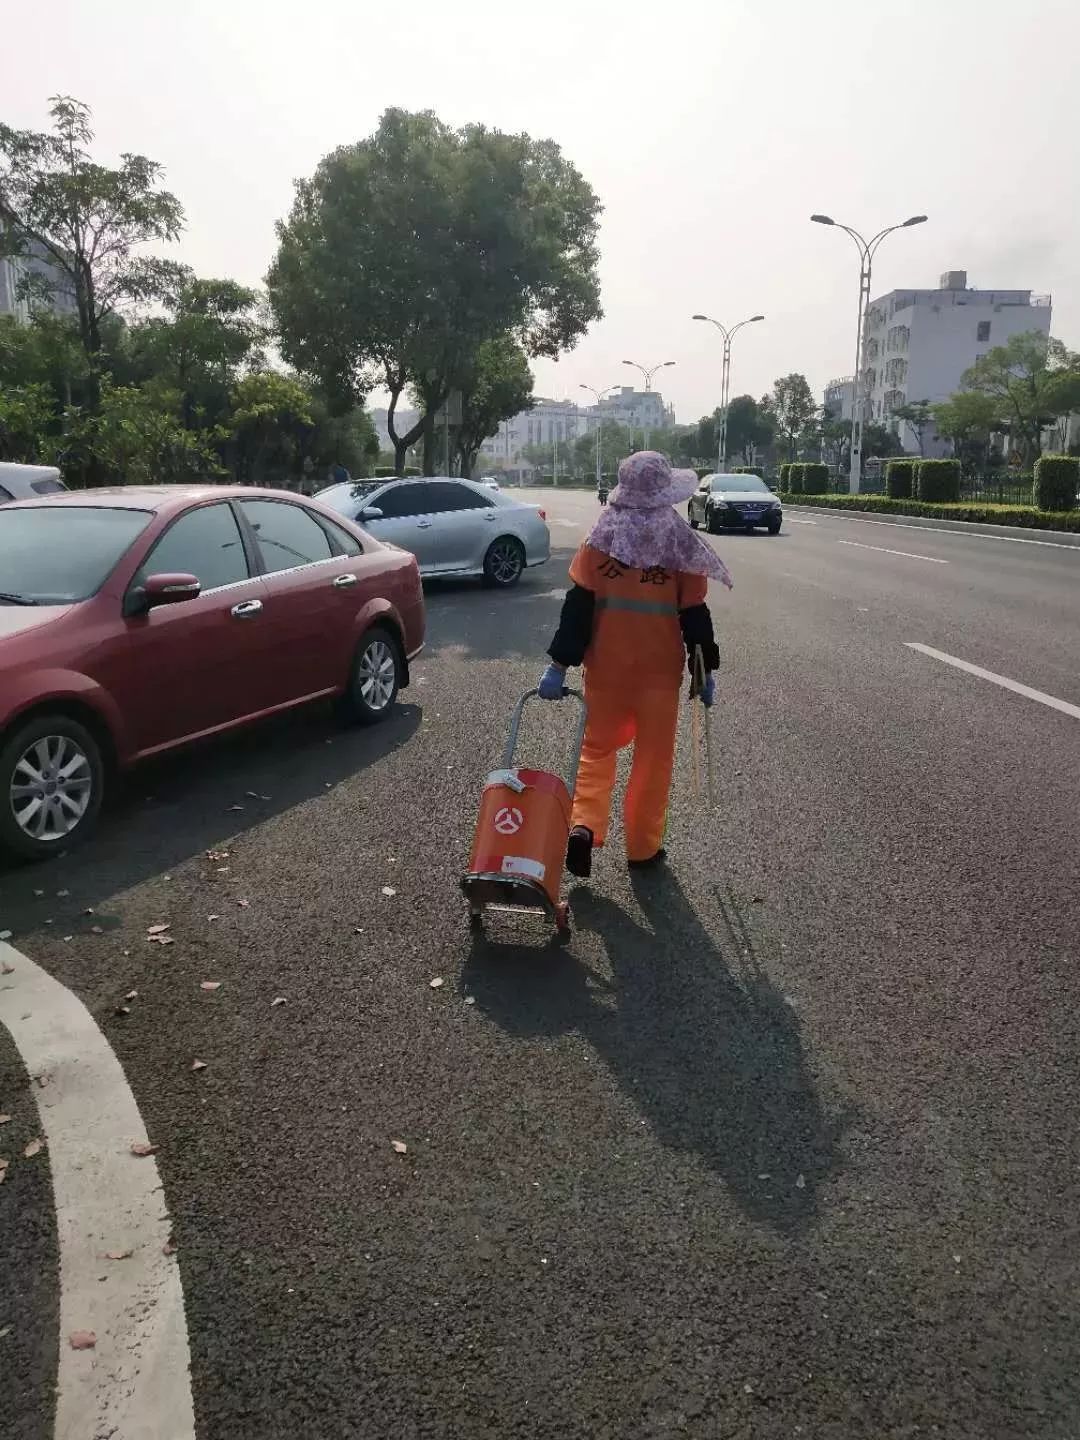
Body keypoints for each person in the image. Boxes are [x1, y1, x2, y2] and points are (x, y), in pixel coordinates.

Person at [537, 451, 732, 877]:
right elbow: (695, 614)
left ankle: (584, 826)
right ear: (664, 490)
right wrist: (705, 672)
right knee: (653, 760)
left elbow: (578, 608)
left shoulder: (601, 538)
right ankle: (643, 849)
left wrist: (558, 666)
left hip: (606, 669)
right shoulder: (679, 542)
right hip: (659, 676)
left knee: (596, 750)